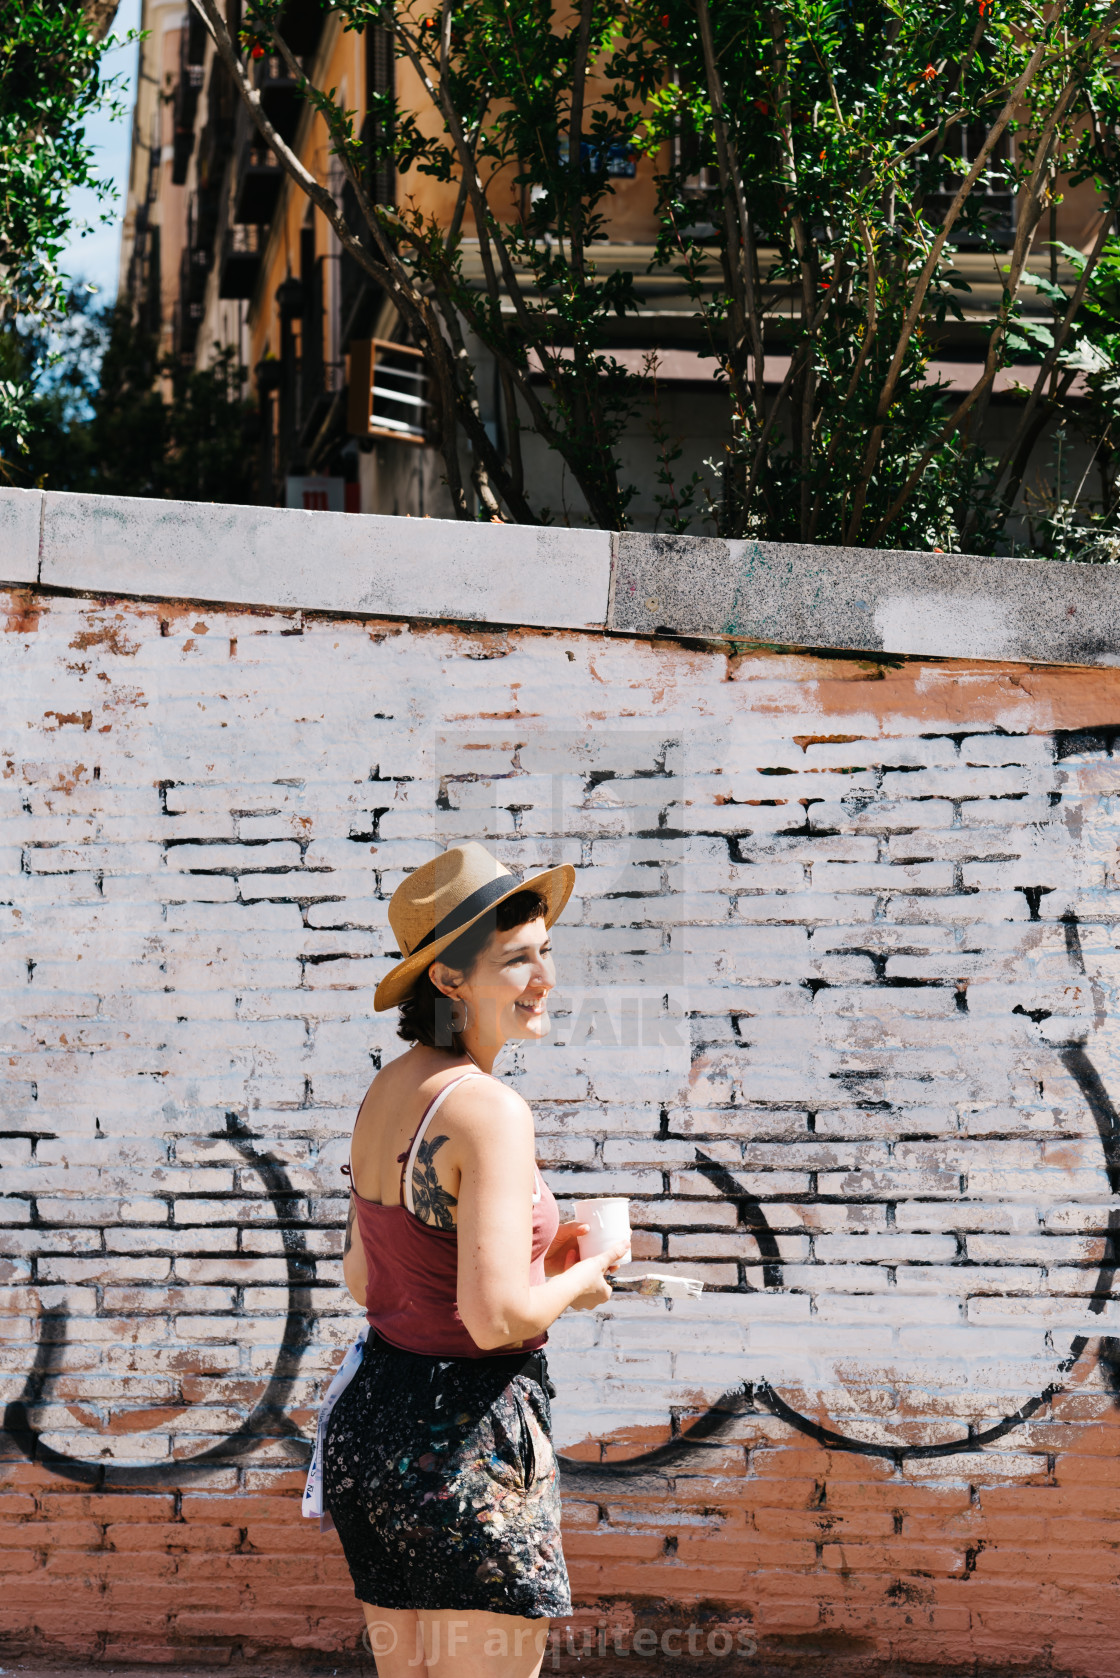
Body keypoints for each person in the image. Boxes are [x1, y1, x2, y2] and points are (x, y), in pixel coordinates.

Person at [322, 841, 629, 1678]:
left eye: (546, 953)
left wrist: (532, 1264)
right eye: (517, 961)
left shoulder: (390, 1091)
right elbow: (494, 1321)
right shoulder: (489, 1110)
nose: (545, 980)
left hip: (373, 1428)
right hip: (469, 1442)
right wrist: (578, 1279)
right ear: (450, 981)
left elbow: (365, 1279)